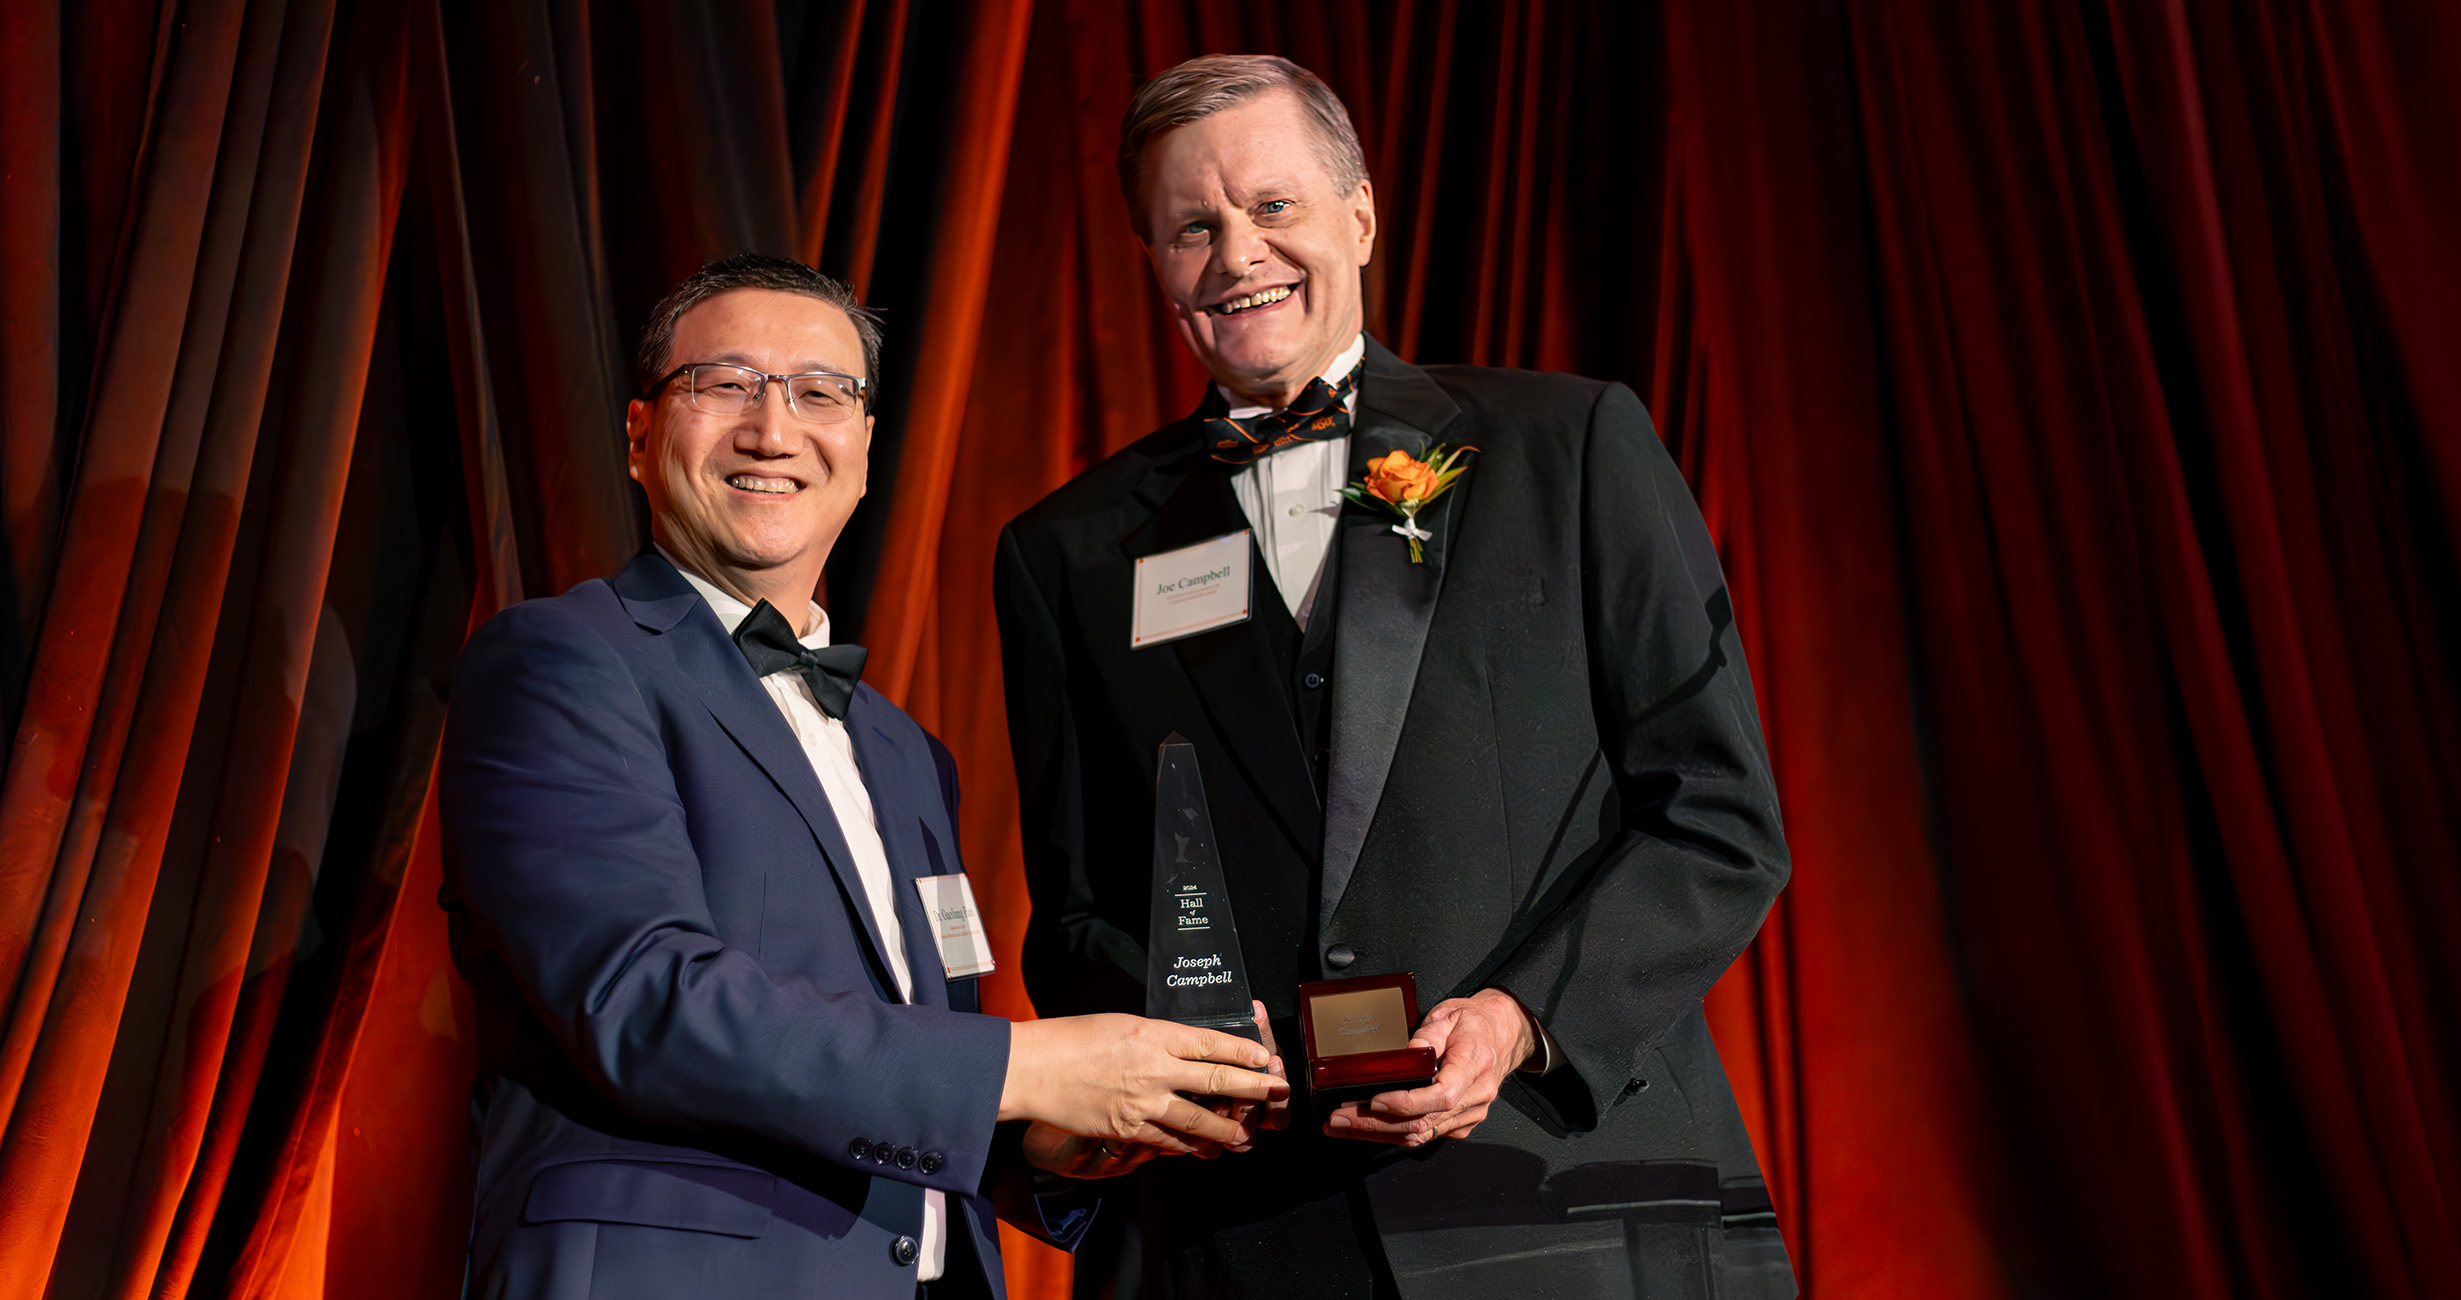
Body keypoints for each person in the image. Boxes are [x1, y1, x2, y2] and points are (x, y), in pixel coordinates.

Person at [994, 57, 1795, 1299]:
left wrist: (1519, 1019)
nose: (1235, 252)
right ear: (1150, 258)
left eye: (1272, 206)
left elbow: (1717, 818)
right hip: (1253, 1233)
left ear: (1358, 215)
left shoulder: (1568, 445)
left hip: (1572, 1197)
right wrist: (1194, 1041)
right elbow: (1080, 908)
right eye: (1191, 226)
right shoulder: (1070, 552)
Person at [440, 253, 1281, 1300]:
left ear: (868, 448)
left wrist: (1038, 1138)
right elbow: (644, 998)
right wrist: (1026, 1068)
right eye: (724, 384)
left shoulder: (903, 747)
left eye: (819, 392)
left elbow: (905, 1060)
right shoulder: (560, 659)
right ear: (641, 436)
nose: (773, 429)